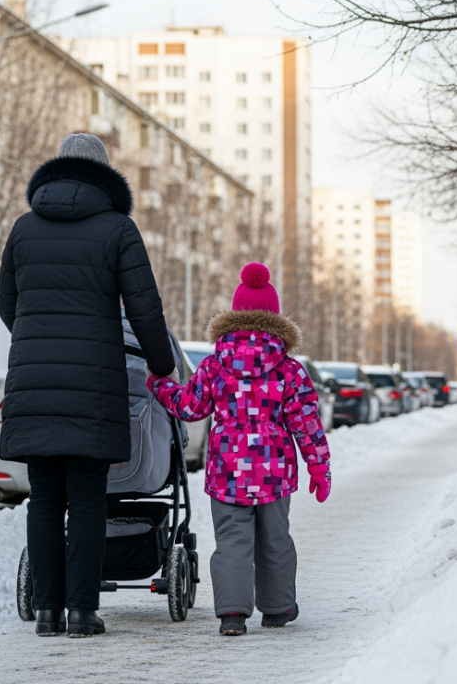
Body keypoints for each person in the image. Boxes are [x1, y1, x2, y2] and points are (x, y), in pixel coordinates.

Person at [0, 133, 176, 638]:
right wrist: (161, 364)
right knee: (88, 499)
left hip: (34, 380)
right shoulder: (118, 228)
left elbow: (7, 304)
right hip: (93, 384)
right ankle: (81, 611)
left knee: (45, 499)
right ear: (104, 174)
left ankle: (47, 612)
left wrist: (37, 340)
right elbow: (144, 308)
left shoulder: (24, 228)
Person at [148, 262, 331, 637]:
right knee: (275, 538)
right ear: (275, 318)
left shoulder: (215, 365)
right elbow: (306, 423)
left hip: (228, 468)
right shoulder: (289, 369)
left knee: (232, 538)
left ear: (234, 316)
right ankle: (278, 608)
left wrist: (159, 385)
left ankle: (232, 613)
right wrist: (319, 467)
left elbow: (189, 407)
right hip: (274, 469)